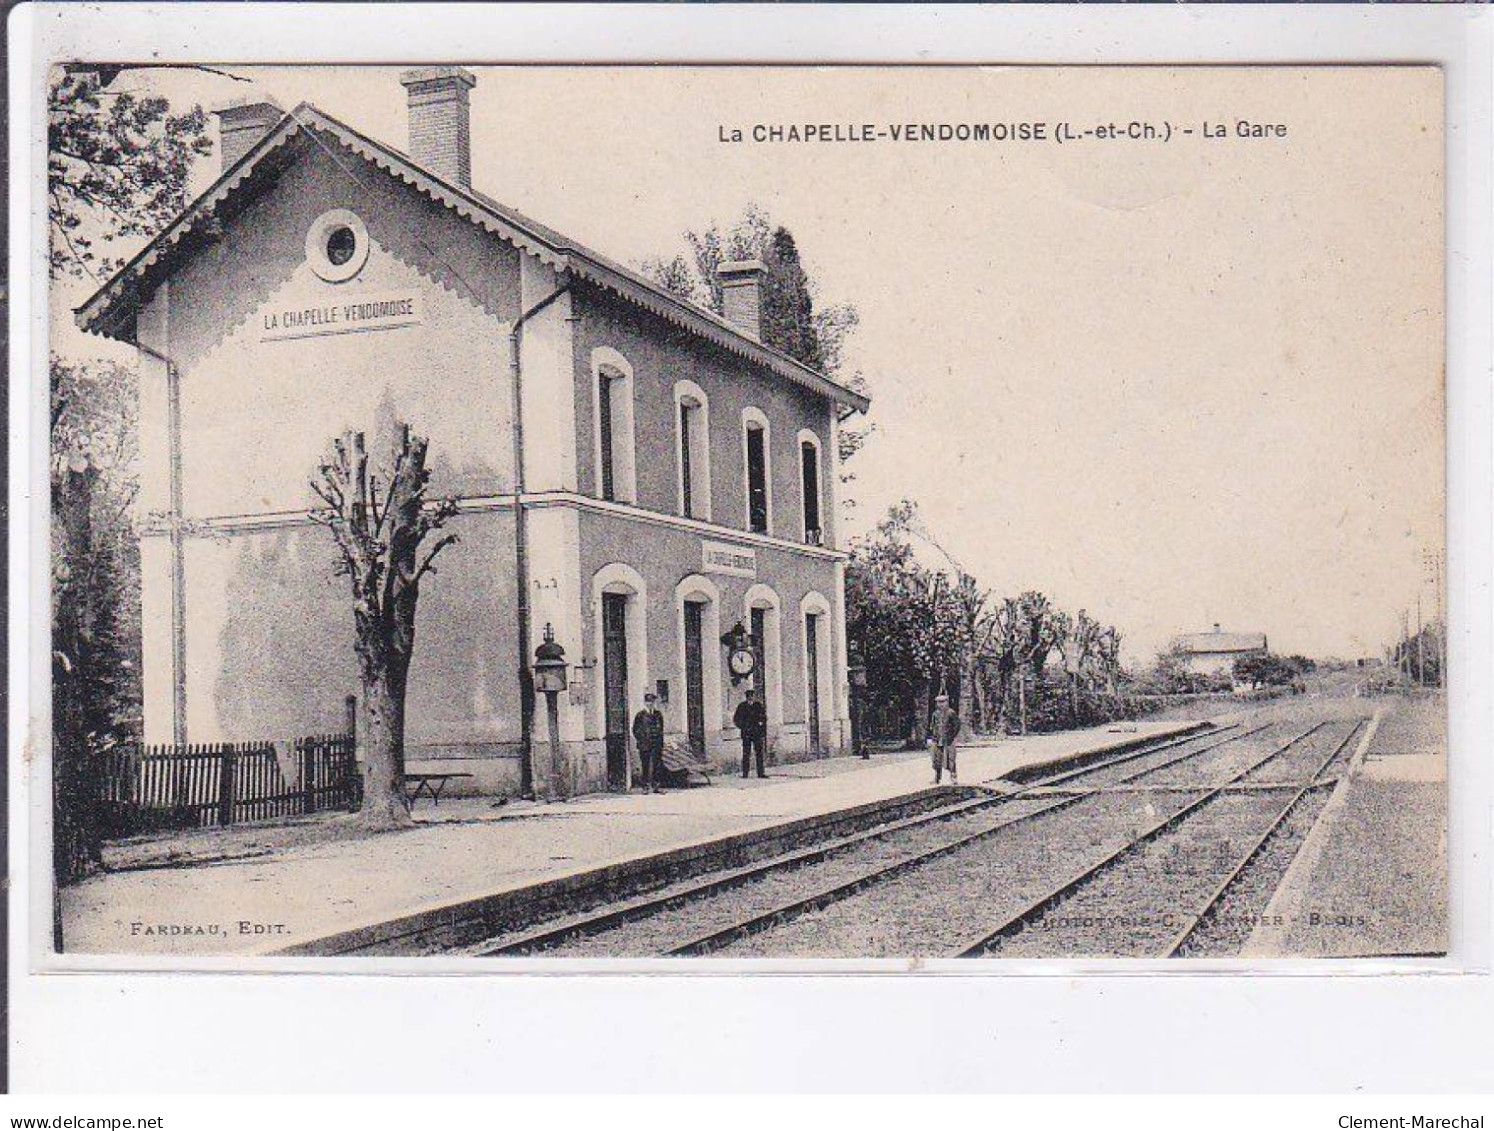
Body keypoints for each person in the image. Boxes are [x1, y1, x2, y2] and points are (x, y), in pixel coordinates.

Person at [631, 692, 666, 793]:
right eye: (648, 702)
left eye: (652, 702)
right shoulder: (640, 715)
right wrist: (641, 739)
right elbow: (635, 729)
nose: (650, 704)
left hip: (656, 744)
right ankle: (645, 786)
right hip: (644, 744)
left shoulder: (658, 714)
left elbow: (661, 729)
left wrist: (660, 742)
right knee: (645, 765)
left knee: (656, 765)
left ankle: (656, 786)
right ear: (645, 703)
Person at [732, 688, 768, 779]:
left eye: (752, 696)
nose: (751, 698)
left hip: (757, 733)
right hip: (746, 733)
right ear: (746, 697)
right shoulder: (742, 706)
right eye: (749, 696)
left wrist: (761, 726)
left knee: (759, 753)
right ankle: (745, 773)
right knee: (746, 754)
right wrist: (743, 726)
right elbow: (736, 719)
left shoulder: (758, 705)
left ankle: (761, 773)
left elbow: (764, 717)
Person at [929, 692, 962, 785]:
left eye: (943, 702)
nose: (941, 704)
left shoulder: (951, 713)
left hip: (948, 739)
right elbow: (932, 726)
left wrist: (952, 736)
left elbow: (957, 725)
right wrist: (933, 736)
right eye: (939, 702)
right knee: (936, 759)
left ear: (947, 702)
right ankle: (937, 778)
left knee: (951, 759)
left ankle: (953, 777)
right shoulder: (935, 714)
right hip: (937, 739)